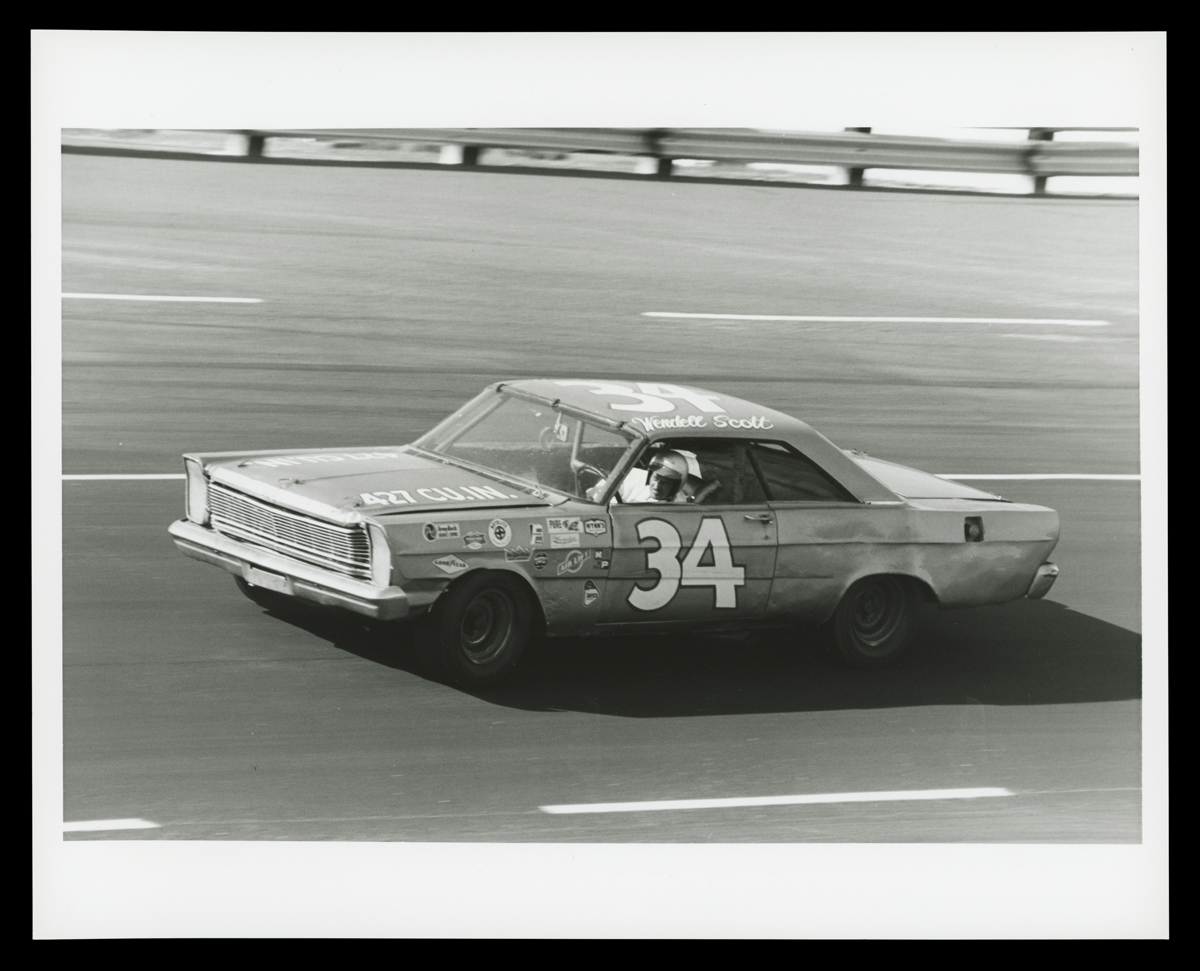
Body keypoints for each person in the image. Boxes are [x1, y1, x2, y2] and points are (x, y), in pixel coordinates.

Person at [617, 449, 693, 503]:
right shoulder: (630, 477)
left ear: (675, 486)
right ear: (650, 474)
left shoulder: (678, 505)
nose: (656, 486)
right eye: (655, 478)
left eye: (664, 483)